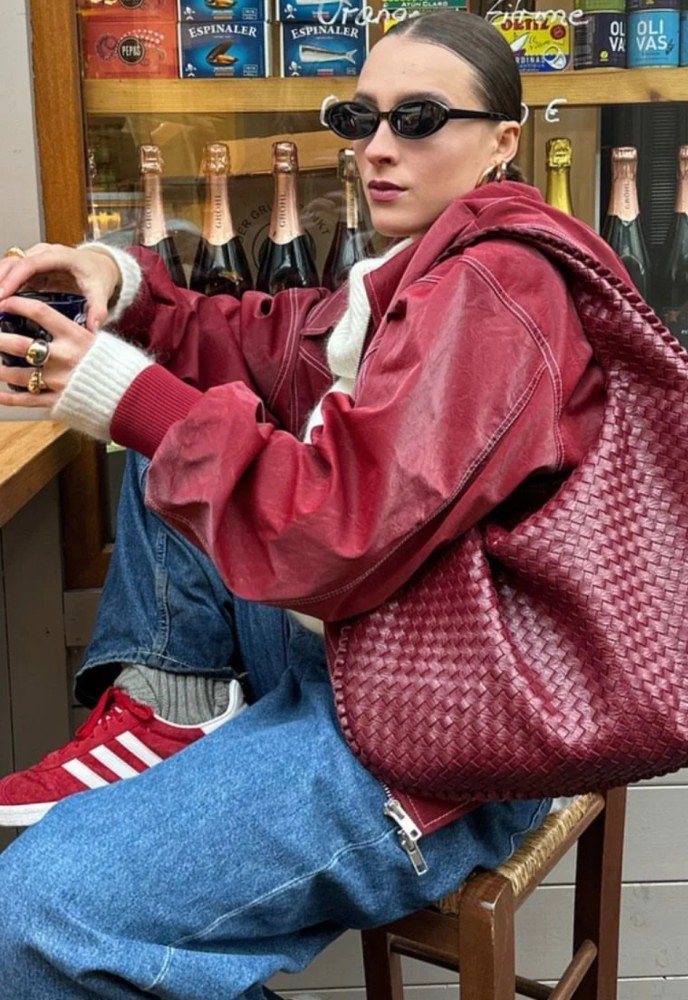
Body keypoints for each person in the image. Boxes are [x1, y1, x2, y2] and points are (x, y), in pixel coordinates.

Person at [0, 11, 617, 998]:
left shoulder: (501, 287)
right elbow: (248, 337)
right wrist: (112, 275)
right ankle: (171, 704)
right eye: (359, 117)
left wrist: (120, 392)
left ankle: (170, 717)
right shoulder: (413, 274)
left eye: (420, 118)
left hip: (437, 739)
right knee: (189, 412)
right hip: (365, 658)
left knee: (32, 916)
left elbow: (336, 534)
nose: (379, 146)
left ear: (504, 141)